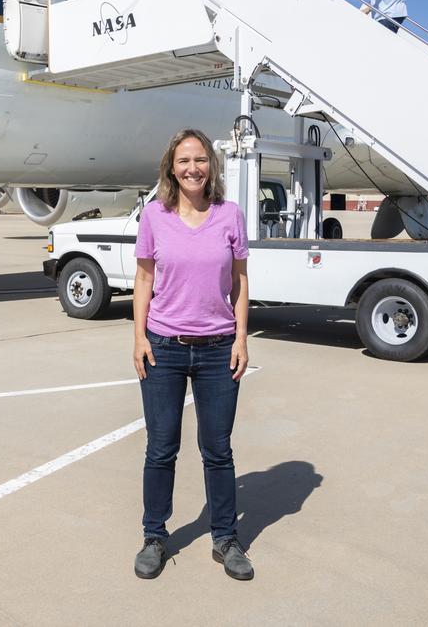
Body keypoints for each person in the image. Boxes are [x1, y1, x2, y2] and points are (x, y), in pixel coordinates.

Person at [132, 128, 253, 581]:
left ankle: (226, 538)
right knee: (161, 449)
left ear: (211, 165)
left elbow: (240, 282)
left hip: (219, 348)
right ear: (171, 167)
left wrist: (241, 338)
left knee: (217, 450)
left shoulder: (230, 216)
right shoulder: (155, 216)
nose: (193, 168)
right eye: (184, 161)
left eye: (200, 160)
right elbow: (144, 279)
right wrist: (138, 338)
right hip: (163, 347)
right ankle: (154, 537)